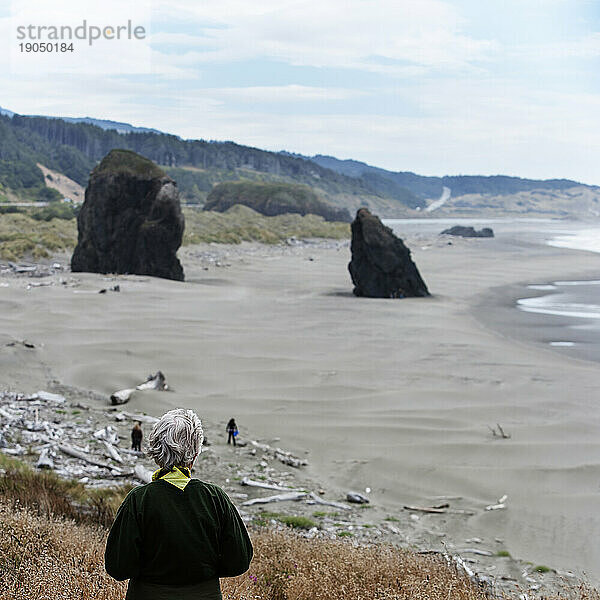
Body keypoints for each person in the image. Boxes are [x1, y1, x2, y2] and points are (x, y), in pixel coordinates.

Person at [105, 408, 253, 600]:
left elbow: (118, 567)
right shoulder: (215, 498)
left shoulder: (138, 500)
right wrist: (205, 570)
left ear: (156, 450)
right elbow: (239, 561)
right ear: (195, 453)